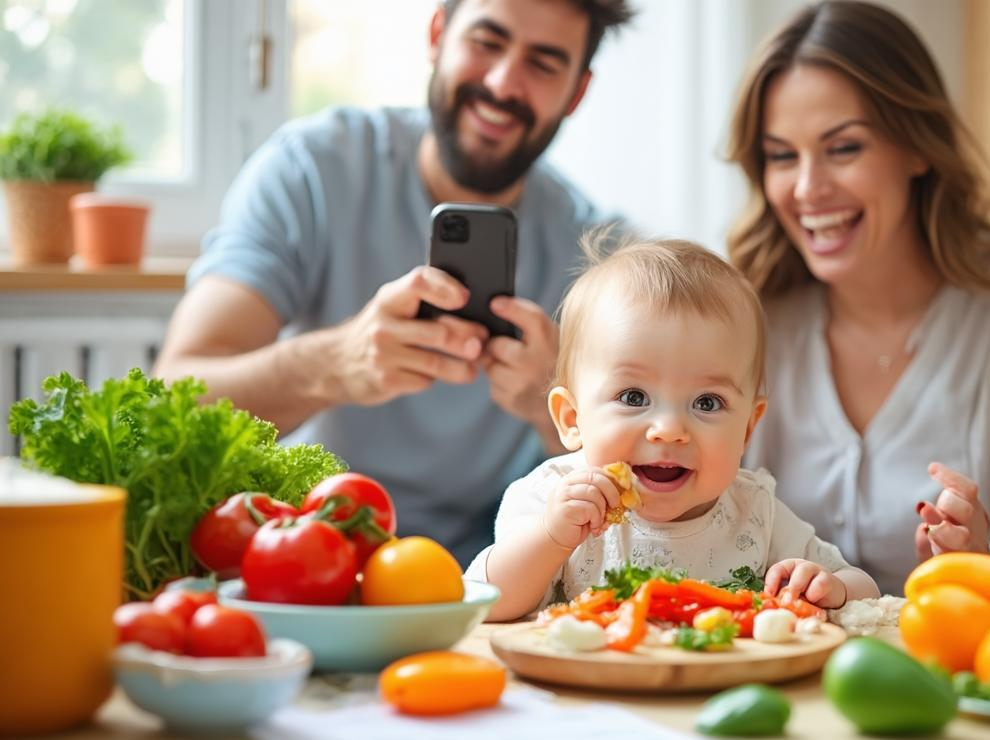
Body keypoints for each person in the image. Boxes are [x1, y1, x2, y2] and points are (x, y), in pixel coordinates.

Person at [154, 0, 634, 563]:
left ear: (576, 93)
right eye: (487, 41)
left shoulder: (598, 252)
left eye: (545, 63)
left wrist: (551, 404)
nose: (505, 83)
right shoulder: (311, 168)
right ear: (438, 34)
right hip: (305, 549)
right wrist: (334, 364)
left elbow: (651, 473)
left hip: (489, 573)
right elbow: (175, 398)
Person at [727, 1, 990, 595]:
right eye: (782, 156)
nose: (807, 189)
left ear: (917, 148)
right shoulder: (744, 309)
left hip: (965, 664)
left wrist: (980, 558)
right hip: (778, 663)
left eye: (844, 148)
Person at [465, 236, 880, 621]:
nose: (668, 430)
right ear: (572, 420)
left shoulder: (755, 511)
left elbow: (868, 593)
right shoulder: (554, 497)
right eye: (633, 397)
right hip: (582, 694)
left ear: (747, 430)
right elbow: (484, 603)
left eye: (707, 403)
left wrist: (833, 589)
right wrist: (551, 538)